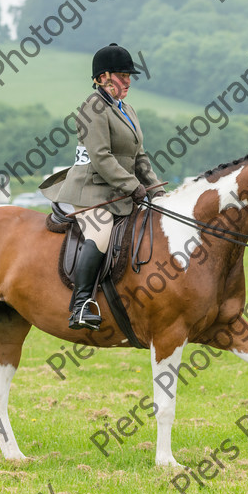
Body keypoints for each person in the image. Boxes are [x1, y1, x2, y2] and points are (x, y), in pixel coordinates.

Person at [40, 43, 164, 330]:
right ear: (103, 77)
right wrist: (133, 186)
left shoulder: (127, 109)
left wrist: (156, 189)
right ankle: (81, 304)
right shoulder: (93, 107)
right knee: (101, 232)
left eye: (129, 76)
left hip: (118, 189)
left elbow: (140, 156)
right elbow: (101, 157)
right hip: (91, 190)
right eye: (123, 75)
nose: (128, 81)